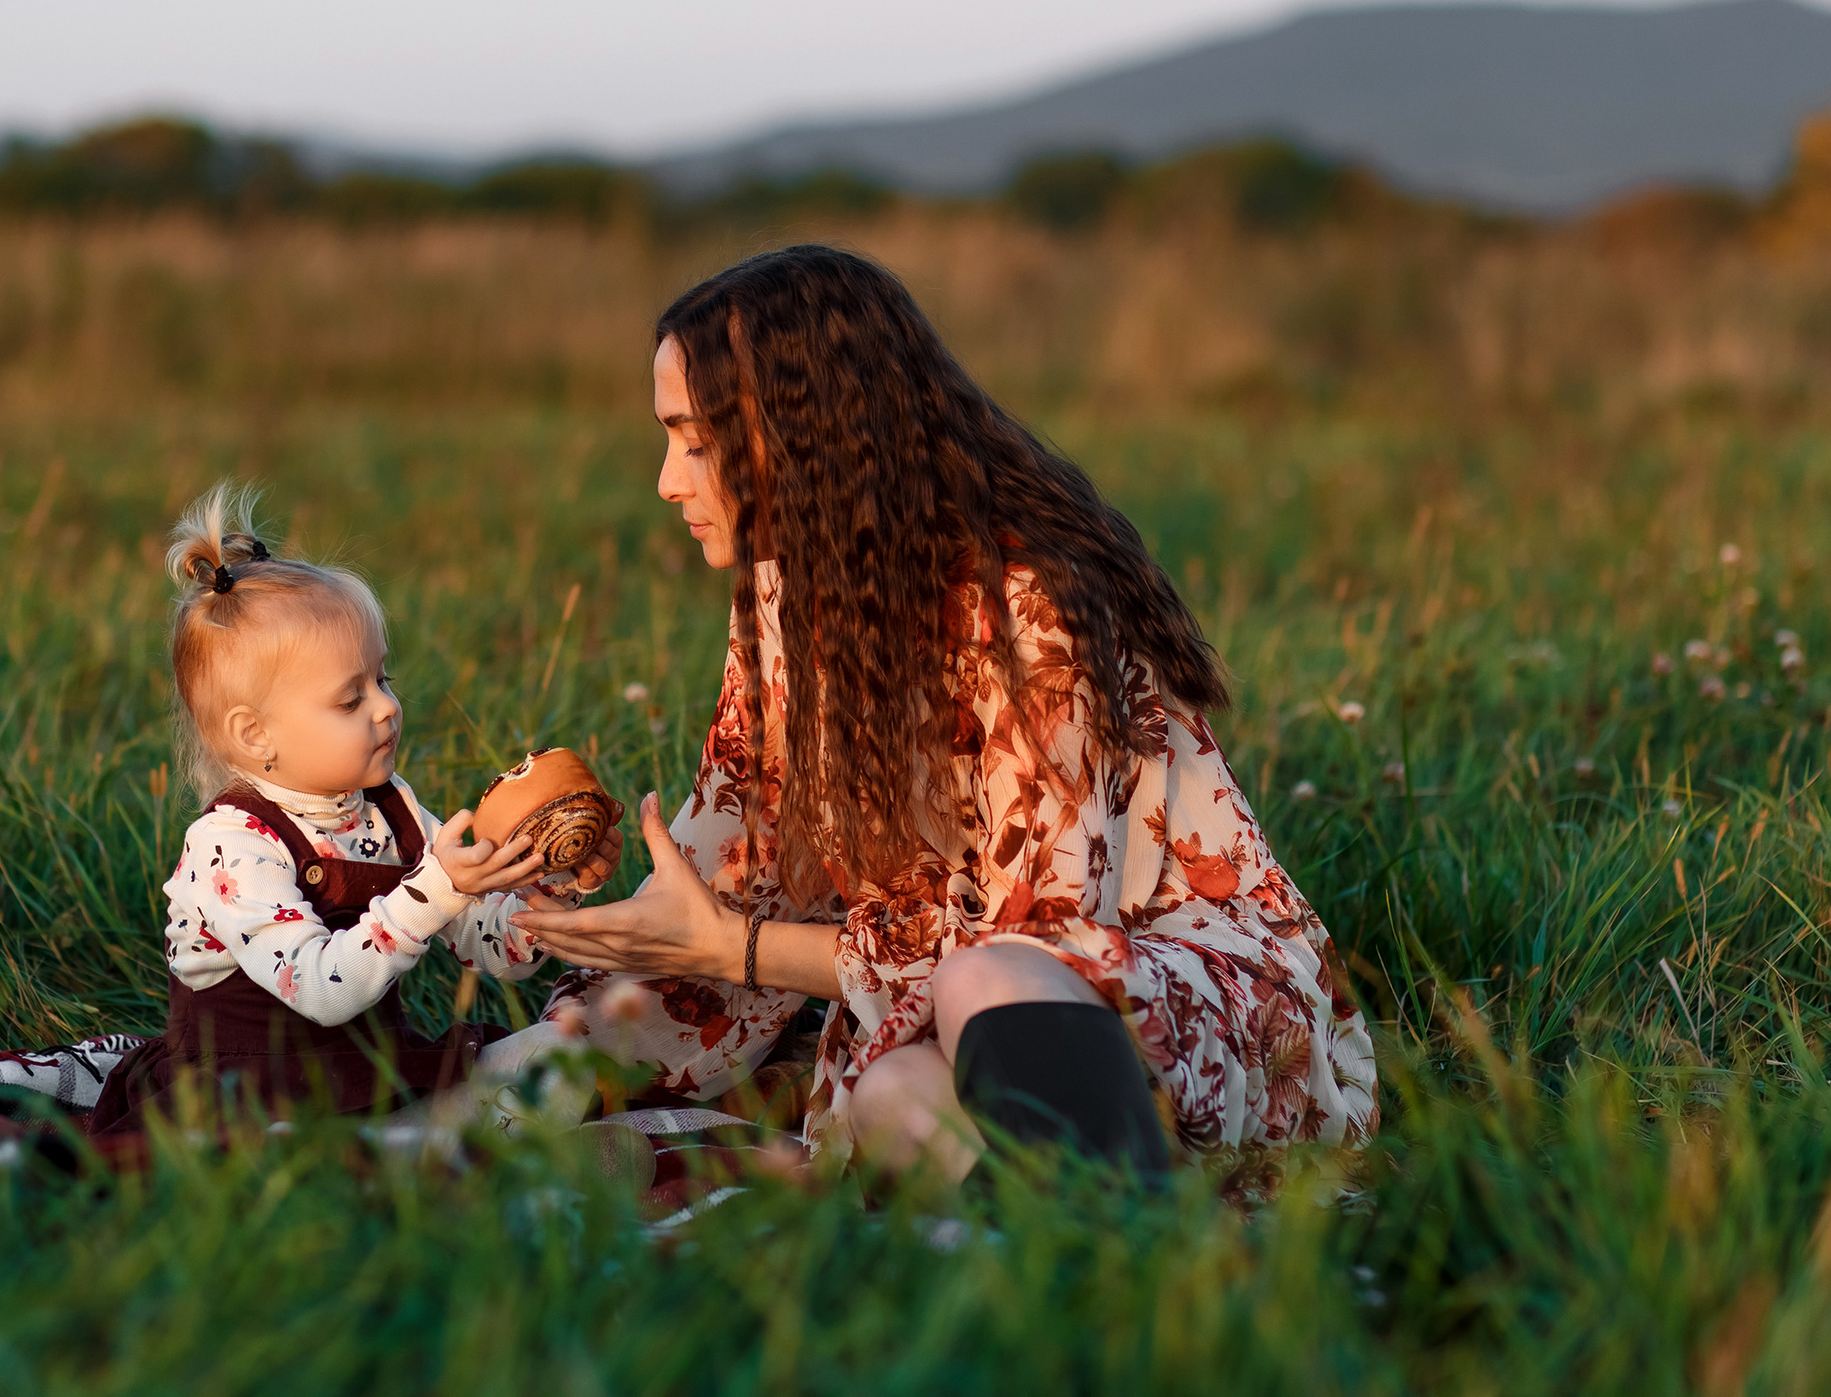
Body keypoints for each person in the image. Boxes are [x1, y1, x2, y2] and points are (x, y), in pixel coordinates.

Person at [516, 246, 1375, 1183]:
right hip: (964, 1026)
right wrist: (535, 913)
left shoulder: (1031, 605)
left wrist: (734, 948)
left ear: (801, 431)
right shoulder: (784, 599)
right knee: (888, 1100)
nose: (667, 481)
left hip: (1164, 1003)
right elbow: (739, 876)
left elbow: (1027, 938)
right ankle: (1085, 1242)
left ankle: (1132, 1251)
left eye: (691, 439)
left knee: (982, 981)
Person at [87, 484, 616, 1136]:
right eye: (350, 699)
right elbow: (321, 989)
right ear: (257, 735)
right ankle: (426, 1151)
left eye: (383, 678)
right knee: (278, 1147)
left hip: (369, 1077)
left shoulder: (392, 812)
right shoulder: (229, 845)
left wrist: (547, 883)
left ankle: (420, 1145)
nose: (387, 706)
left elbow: (498, 952)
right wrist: (436, 888)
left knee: (557, 1056)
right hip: (246, 1098)